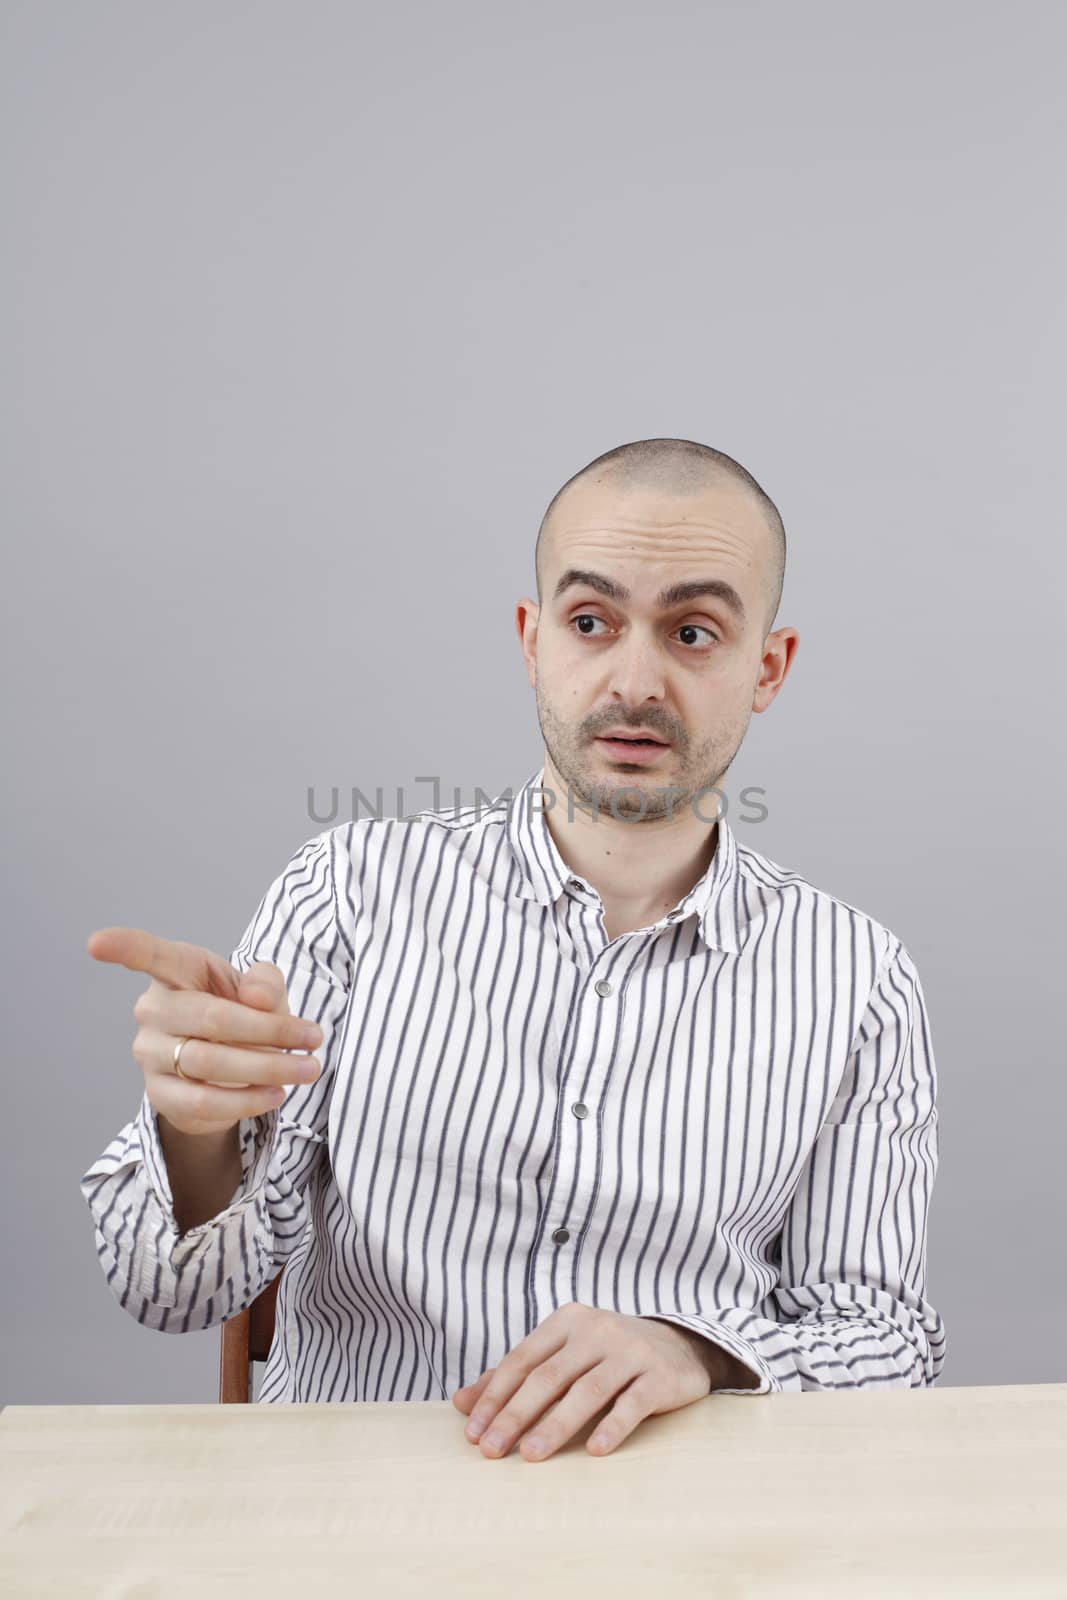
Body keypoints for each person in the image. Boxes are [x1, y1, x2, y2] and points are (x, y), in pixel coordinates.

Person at [82, 437, 945, 1462]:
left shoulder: (856, 979)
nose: (636, 679)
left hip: (691, 1535)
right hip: (357, 1521)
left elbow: (884, 1344)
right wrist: (193, 1137)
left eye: (693, 631)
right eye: (591, 622)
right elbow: (168, 1294)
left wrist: (702, 1352)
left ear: (766, 667)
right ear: (533, 641)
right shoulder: (350, 895)